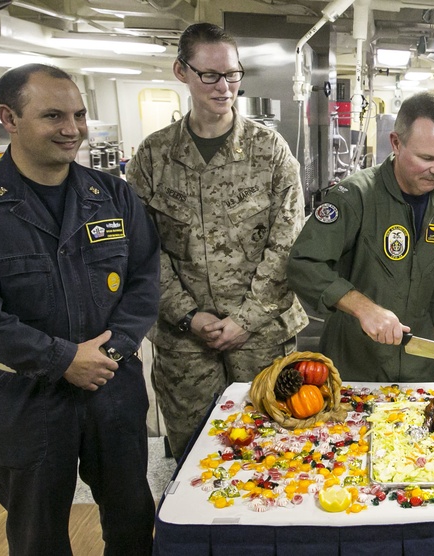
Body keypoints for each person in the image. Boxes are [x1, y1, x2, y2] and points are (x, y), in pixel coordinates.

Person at [0, 64, 160, 555]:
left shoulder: (112, 196)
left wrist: (112, 350)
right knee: (36, 533)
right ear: (10, 118)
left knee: (132, 520)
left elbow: (145, 280)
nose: (73, 129)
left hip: (113, 385)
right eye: (53, 116)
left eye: (79, 114)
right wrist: (61, 359)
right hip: (26, 395)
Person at [126, 23, 308, 459]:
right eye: (210, 75)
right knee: (196, 453)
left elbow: (288, 243)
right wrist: (188, 316)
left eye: (232, 74)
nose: (224, 86)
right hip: (185, 341)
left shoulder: (270, 150)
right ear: (181, 72)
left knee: (275, 447)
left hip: (261, 334)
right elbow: (143, 248)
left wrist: (245, 319)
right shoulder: (153, 157)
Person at [287, 91, 434, 382]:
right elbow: (303, 263)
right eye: (427, 158)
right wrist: (362, 307)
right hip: (354, 364)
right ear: (396, 143)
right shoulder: (354, 197)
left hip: (415, 366)